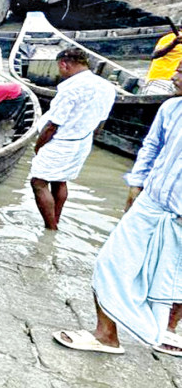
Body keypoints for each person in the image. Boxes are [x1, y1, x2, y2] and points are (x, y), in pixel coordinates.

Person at [54, 65, 182, 357]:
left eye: (181, 71)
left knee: (175, 278)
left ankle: (167, 330)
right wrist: (136, 184)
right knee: (111, 263)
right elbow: (152, 146)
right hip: (152, 202)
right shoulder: (171, 108)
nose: (174, 76)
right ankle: (106, 335)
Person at [29, 47, 117, 230]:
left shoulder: (71, 88)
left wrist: (38, 146)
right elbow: (101, 122)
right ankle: (55, 220)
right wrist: (89, 140)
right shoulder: (107, 87)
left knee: (38, 182)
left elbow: (53, 125)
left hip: (61, 142)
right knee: (60, 179)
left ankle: (50, 227)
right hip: (83, 140)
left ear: (64, 64)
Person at [145, 27, 182, 93]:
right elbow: (155, 55)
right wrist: (174, 43)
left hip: (178, 82)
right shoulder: (170, 38)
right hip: (161, 79)